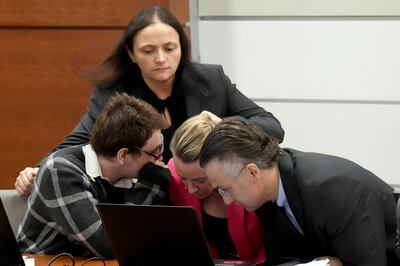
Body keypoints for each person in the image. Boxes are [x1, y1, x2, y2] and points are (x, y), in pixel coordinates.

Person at [15, 5, 284, 196]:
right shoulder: (113, 92)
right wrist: (37, 170)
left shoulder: (211, 79)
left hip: (211, 194)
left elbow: (272, 127)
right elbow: (78, 142)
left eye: (169, 48)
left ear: (182, 46)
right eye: (148, 50)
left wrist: (224, 126)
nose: (161, 59)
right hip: (145, 196)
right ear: (131, 54)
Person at [199, 117, 398, 266]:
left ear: (252, 172)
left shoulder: (332, 187)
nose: (227, 201)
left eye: (225, 189)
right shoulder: (265, 195)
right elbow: (281, 260)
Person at [17, 94, 172, 258]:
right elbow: (111, 246)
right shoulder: (60, 172)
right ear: (124, 155)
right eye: (155, 152)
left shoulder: (129, 174)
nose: (160, 157)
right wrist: (152, 183)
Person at [168, 112, 265, 263]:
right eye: (183, 178)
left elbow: (277, 244)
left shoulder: (252, 183)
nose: (191, 189)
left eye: (200, 179)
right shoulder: (172, 177)